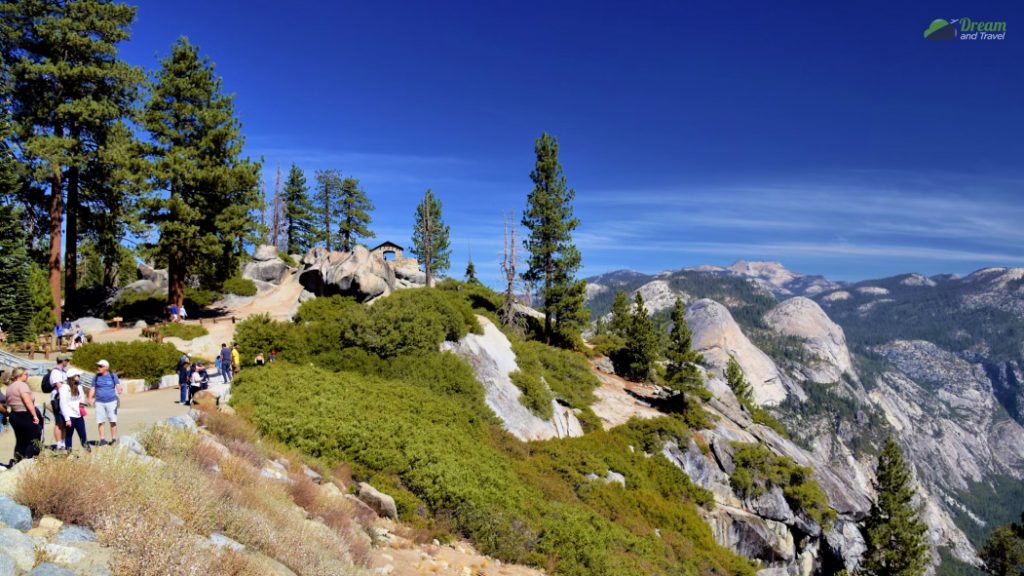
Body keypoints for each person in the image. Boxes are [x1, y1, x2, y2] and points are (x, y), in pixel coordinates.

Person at [4, 367, 41, 462]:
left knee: (21, 441)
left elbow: (8, 402)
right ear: (20, 375)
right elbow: (27, 401)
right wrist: (35, 415)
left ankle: (18, 462)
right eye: (26, 374)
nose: (27, 376)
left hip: (14, 415)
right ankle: (29, 463)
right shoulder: (22, 385)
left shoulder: (10, 387)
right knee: (33, 440)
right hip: (25, 415)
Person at [91, 360, 123, 446]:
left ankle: (113, 439)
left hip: (112, 402)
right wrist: (90, 398)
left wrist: (119, 389)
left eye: (100, 366)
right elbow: (93, 388)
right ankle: (102, 439)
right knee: (100, 421)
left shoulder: (113, 376)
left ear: (106, 367)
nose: (98, 368)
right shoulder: (96, 377)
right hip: (99, 402)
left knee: (113, 420)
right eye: (98, 366)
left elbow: (118, 385)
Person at [59, 369, 89, 452]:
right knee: (69, 435)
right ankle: (69, 454)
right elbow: (63, 404)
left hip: (78, 415)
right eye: (77, 375)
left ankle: (89, 452)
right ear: (72, 377)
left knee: (83, 435)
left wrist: (82, 403)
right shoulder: (64, 388)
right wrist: (67, 419)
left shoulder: (79, 385)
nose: (79, 377)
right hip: (69, 416)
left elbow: (82, 397)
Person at [48, 356, 69, 447]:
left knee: (64, 422)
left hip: (64, 399)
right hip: (57, 399)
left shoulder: (64, 372)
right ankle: (59, 443)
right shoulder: (55, 372)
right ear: (62, 360)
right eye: (67, 360)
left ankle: (63, 442)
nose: (68, 362)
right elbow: (59, 385)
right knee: (59, 422)